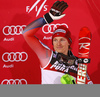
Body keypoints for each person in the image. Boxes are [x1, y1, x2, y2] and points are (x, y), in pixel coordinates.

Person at [22, 0, 93, 84]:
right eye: (55, 40)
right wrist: (48, 17)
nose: (58, 43)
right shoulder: (48, 57)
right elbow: (26, 34)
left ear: (69, 42)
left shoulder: (78, 63)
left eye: (62, 40)